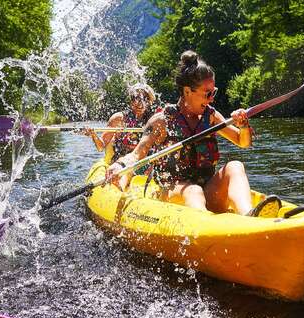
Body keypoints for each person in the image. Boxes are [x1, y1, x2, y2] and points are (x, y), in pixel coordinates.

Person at [105, 50, 281, 217]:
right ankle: (206, 226)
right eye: (208, 94)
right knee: (193, 191)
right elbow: (137, 154)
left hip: (207, 189)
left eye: (214, 92)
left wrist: (243, 125)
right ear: (187, 91)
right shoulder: (162, 121)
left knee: (235, 166)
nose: (212, 98)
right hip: (173, 192)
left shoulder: (210, 116)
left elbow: (243, 142)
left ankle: (248, 214)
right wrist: (119, 167)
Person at [84, 83, 157, 189]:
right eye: (135, 99)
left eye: (144, 99)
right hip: (121, 162)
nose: (139, 103)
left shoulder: (154, 120)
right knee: (129, 168)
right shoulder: (119, 119)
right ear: (131, 101)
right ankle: (119, 189)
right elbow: (101, 147)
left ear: (149, 101)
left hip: (144, 161)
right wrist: (93, 134)